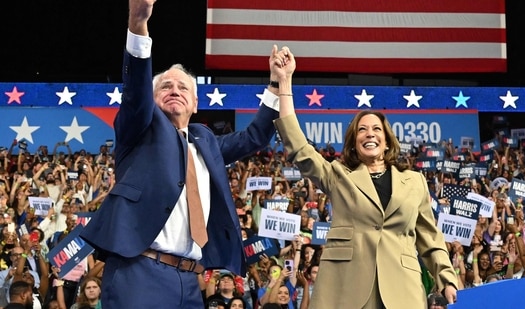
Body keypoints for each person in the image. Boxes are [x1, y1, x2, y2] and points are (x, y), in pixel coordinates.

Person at [80, 0, 289, 307]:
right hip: (138, 272)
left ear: (195, 104)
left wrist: (276, 83)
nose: (174, 90)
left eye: (183, 88)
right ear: (152, 100)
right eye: (165, 86)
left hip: (190, 281)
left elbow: (255, 136)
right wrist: (138, 24)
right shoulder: (139, 129)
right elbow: (136, 88)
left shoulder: (205, 142)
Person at [271, 48, 458, 308]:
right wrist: (284, 82)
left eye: (376, 129)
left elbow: (429, 236)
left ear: (386, 139)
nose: (369, 134)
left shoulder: (414, 181)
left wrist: (446, 278)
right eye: (362, 130)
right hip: (346, 287)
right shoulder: (339, 176)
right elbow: (299, 148)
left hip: (401, 288)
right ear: (354, 142)